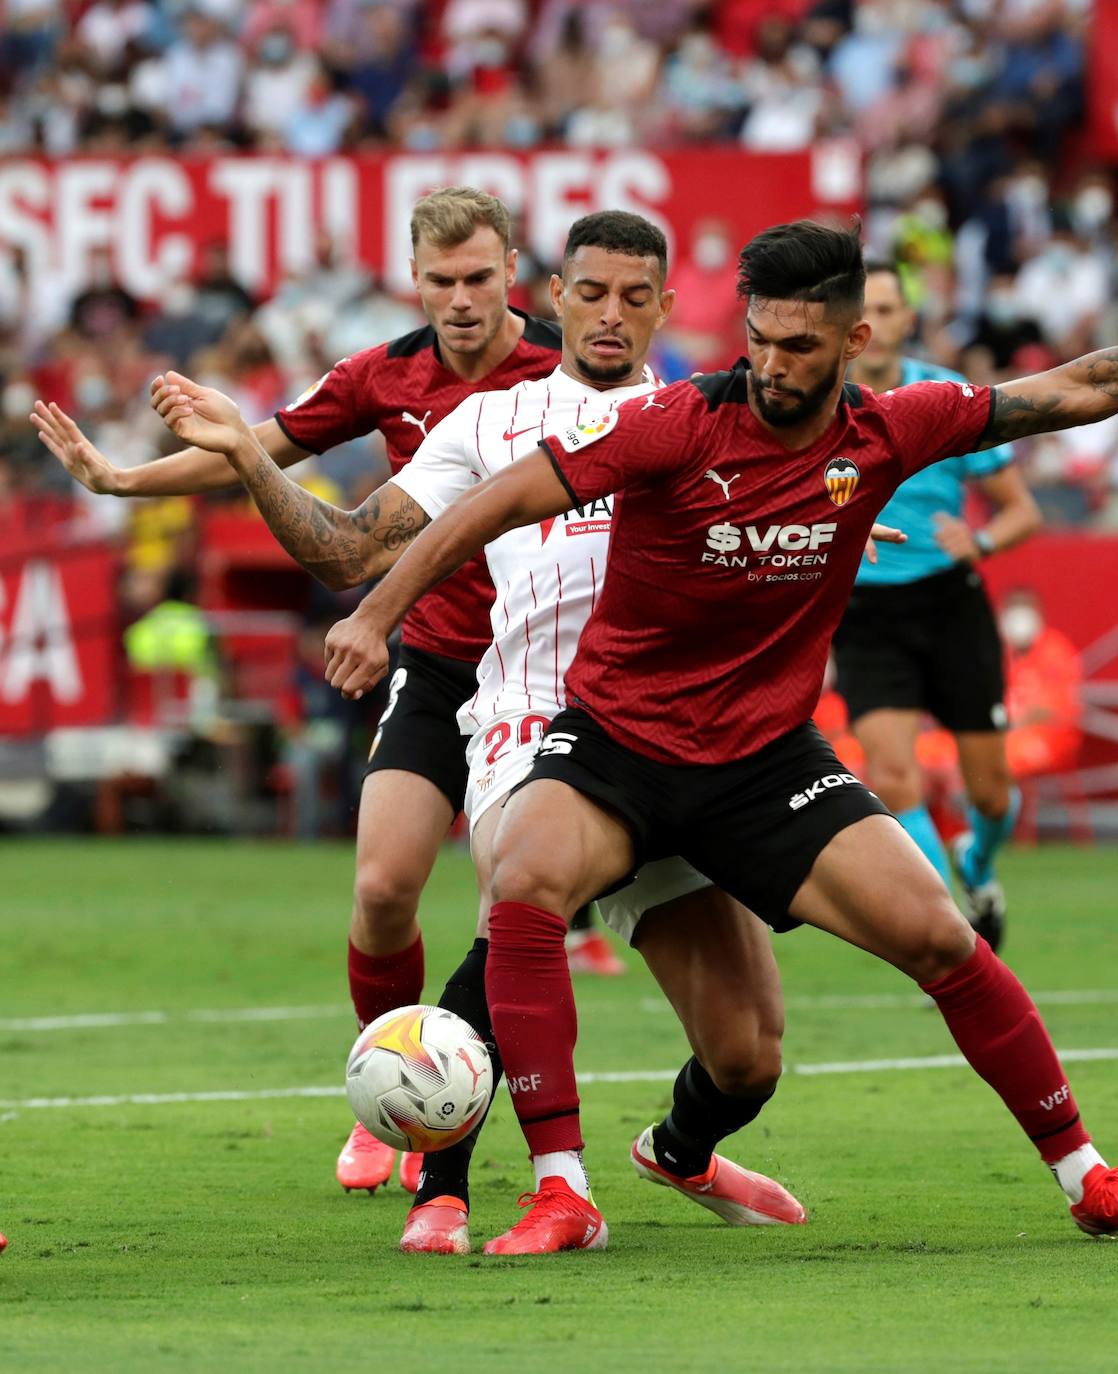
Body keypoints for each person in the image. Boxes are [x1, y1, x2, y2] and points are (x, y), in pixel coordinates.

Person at [305, 224, 1118, 1255]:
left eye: (798, 347)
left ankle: (1089, 1178)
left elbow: (1078, 388)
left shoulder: (890, 430)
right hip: (617, 743)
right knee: (524, 880)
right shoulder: (676, 423)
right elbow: (495, 504)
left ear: (852, 342)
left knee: (922, 945)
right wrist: (373, 613)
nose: (770, 365)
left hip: (762, 761)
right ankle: (559, 1194)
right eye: (758, 338)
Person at [140, 211, 807, 1255]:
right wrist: (248, 457)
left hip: (678, 737)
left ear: (666, 309)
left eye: (636, 297)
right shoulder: (489, 425)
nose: (612, 314)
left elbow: (780, 515)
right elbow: (350, 547)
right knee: (493, 912)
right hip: (539, 728)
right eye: (592, 293)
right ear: (554, 293)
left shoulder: (703, 420)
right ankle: (448, 1181)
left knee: (750, 1056)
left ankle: (678, 1149)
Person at [31, 186, 568, 1197]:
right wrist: (119, 481)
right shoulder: (384, 373)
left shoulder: (563, 371)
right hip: (442, 657)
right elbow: (259, 448)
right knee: (379, 891)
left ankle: (504, 1153)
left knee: (518, 905)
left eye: (479, 280)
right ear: (415, 280)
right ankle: (390, 1091)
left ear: (513, 278)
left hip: (546, 672)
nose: (460, 299)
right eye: (441, 280)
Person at [836, 262, 1041, 950]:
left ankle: (979, 864)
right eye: (867, 309)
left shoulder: (947, 396)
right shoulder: (822, 401)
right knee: (893, 776)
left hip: (951, 604)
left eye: (890, 308)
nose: (878, 322)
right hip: (863, 610)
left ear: (905, 318)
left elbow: (1022, 513)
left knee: (989, 793)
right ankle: (954, 928)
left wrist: (977, 540)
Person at [918, 588, 1083, 788]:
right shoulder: (988, 648)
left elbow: (1052, 710)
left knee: (987, 763)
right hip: (984, 732)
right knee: (924, 754)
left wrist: (1001, 727)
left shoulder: (1055, 651)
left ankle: (986, 811)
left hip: (1036, 735)